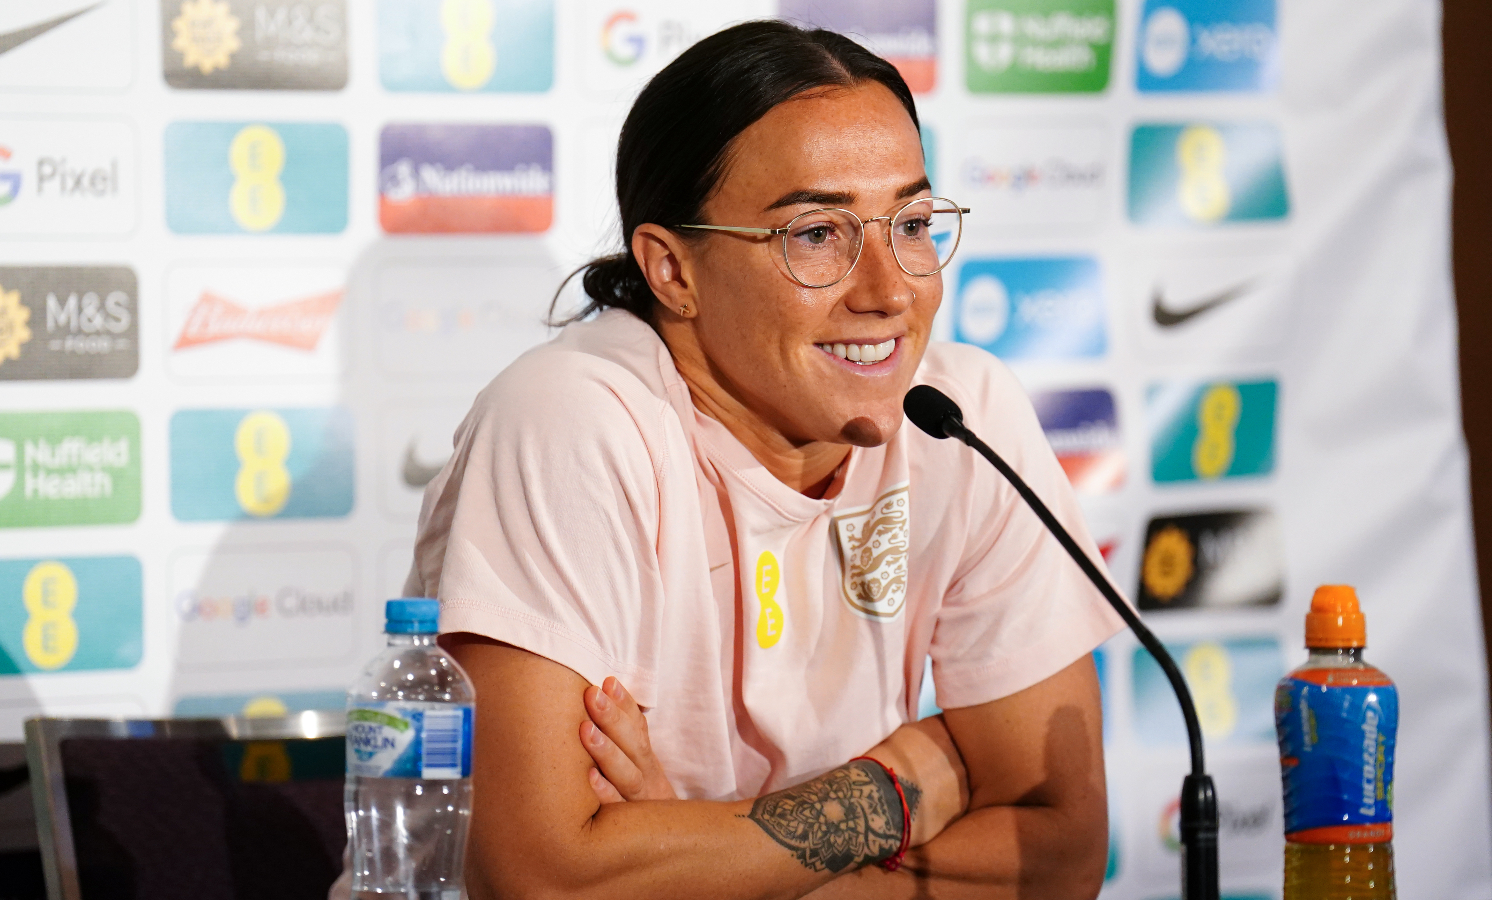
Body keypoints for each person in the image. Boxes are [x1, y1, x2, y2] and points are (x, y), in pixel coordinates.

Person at [404, 20, 1124, 900]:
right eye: (816, 234)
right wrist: (900, 786)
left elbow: (1058, 856)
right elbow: (544, 879)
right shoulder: (573, 420)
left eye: (911, 222)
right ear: (672, 271)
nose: (890, 289)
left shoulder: (959, 420)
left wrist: (694, 865)